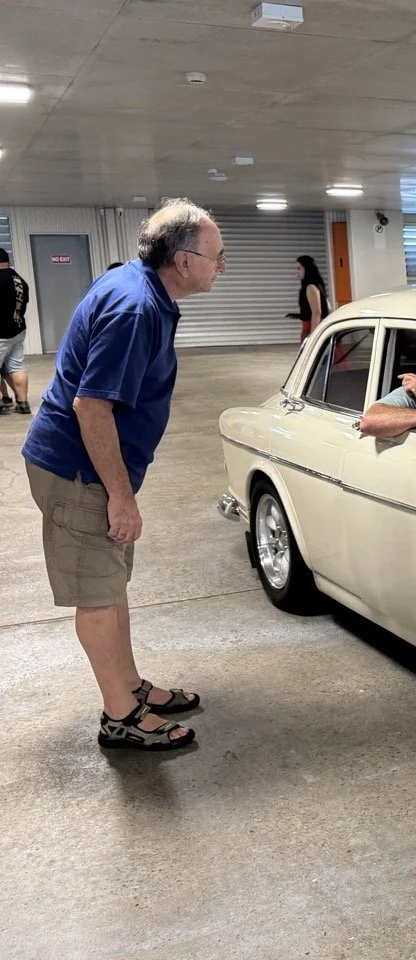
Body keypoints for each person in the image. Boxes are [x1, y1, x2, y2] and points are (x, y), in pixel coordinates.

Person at [21, 198, 225, 752]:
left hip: (89, 467)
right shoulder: (135, 307)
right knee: (97, 592)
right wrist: (119, 496)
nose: (221, 265)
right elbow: (92, 405)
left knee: (109, 585)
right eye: (216, 256)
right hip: (79, 470)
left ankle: (130, 687)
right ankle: (121, 718)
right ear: (183, 261)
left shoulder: (141, 288)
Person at [0, 247, 31, 415]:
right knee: (17, 366)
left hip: (1, 333)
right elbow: (23, 304)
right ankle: (23, 403)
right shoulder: (19, 280)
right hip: (18, 330)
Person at [296, 254, 330, 341]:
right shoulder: (317, 285)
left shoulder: (311, 287)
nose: (297, 272)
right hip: (315, 328)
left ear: (307, 269)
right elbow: (327, 306)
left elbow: (317, 312)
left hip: (312, 328)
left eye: (299, 268)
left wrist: (313, 336)